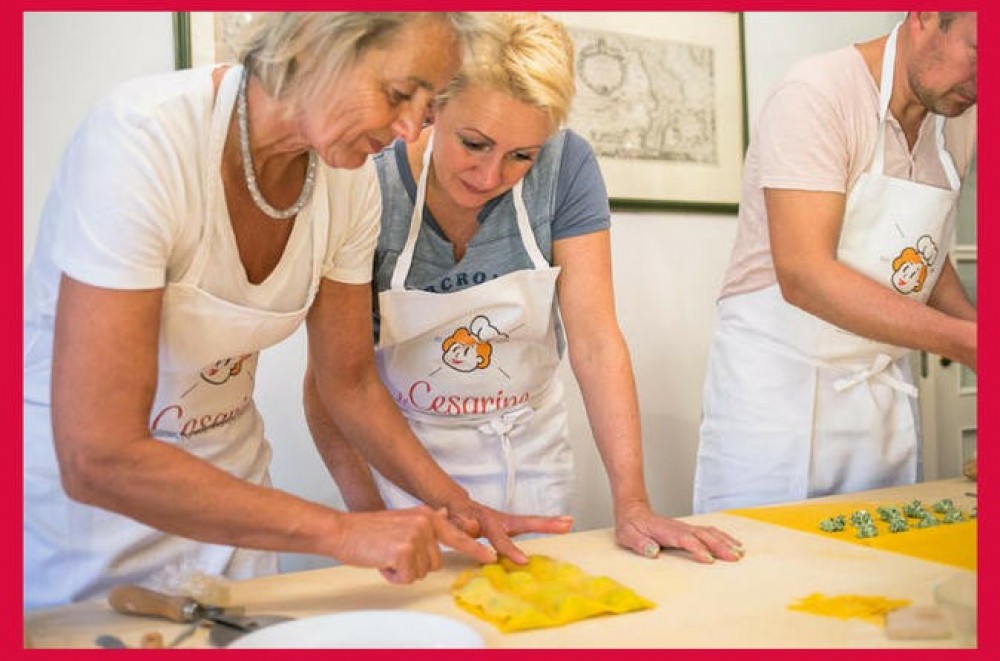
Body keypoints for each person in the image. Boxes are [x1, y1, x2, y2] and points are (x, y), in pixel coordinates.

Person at [23, 12, 569, 611]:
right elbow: (99, 457)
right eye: (397, 94)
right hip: (91, 527)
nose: (412, 127)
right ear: (313, 45)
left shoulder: (348, 180)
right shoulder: (141, 139)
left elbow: (351, 382)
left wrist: (454, 505)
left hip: (233, 507)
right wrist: (340, 532)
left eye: (430, 105)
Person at [304, 12, 745, 564]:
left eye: (521, 156)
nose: (490, 177)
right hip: (406, 469)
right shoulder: (370, 186)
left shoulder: (566, 167)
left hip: (531, 457)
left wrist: (633, 503)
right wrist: (370, 518)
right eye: (474, 144)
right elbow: (331, 385)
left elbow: (596, 342)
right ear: (434, 108)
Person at [693, 12, 977, 513]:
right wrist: (967, 342)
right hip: (782, 396)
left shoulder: (957, 116)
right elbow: (805, 274)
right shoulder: (817, 93)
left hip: (880, 397)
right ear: (925, 16)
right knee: (770, 572)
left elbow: (916, 252)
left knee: (885, 577)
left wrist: (979, 330)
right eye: (980, 52)